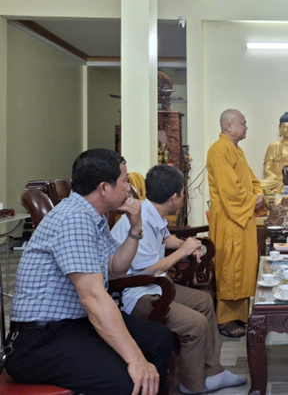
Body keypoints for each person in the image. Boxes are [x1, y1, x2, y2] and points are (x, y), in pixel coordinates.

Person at [6, 148, 174, 395]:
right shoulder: (74, 219)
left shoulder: (93, 216)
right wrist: (136, 359)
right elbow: (93, 297)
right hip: (39, 340)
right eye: (124, 181)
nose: (128, 188)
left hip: (73, 325)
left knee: (159, 338)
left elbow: (116, 269)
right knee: (126, 380)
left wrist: (135, 227)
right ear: (104, 188)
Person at [111, 164, 247, 394]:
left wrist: (187, 244)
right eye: (183, 192)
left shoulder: (152, 211)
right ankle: (192, 384)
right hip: (134, 293)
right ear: (173, 197)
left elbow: (166, 239)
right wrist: (183, 252)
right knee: (195, 323)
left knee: (204, 301)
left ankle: (213, 372)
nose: (184, 195)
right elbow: (147, 271)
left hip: (154, 285)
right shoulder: (139, 221)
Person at [207, 109, 264, 337]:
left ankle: (240, 315)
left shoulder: (237, 151)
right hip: (230, 219)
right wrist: (253, 199)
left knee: (244, 266)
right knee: (230, 267)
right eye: (243, 123)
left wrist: (259, 194)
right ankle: (225, 319)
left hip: (242, 217)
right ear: (228, 126)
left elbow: (253, 181)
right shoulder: (218, 150)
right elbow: (230, 190)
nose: (246, 127)